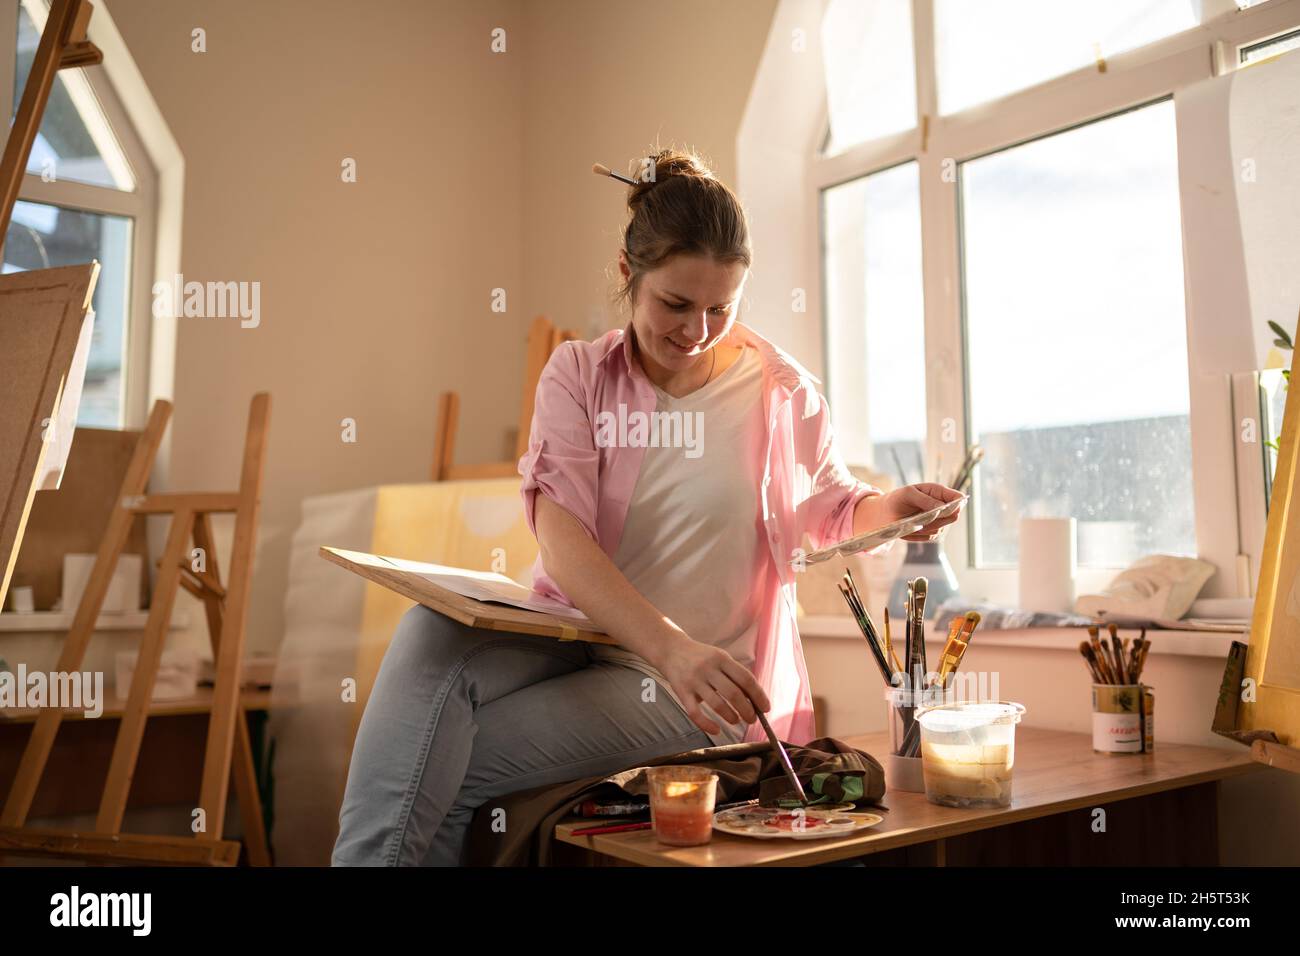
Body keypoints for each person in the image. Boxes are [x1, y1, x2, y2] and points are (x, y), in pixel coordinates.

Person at [331, 147, 964, 866]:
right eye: (677, 304)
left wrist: (892, 510)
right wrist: (668, 643)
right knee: (426, 634)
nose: (697, 330)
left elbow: (832, 509)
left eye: (721, 308)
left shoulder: (780, 392)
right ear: (629, 274)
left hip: (698, 687)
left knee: (435, 763)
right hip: (582, 642)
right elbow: (561, 538)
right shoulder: (579, 375)